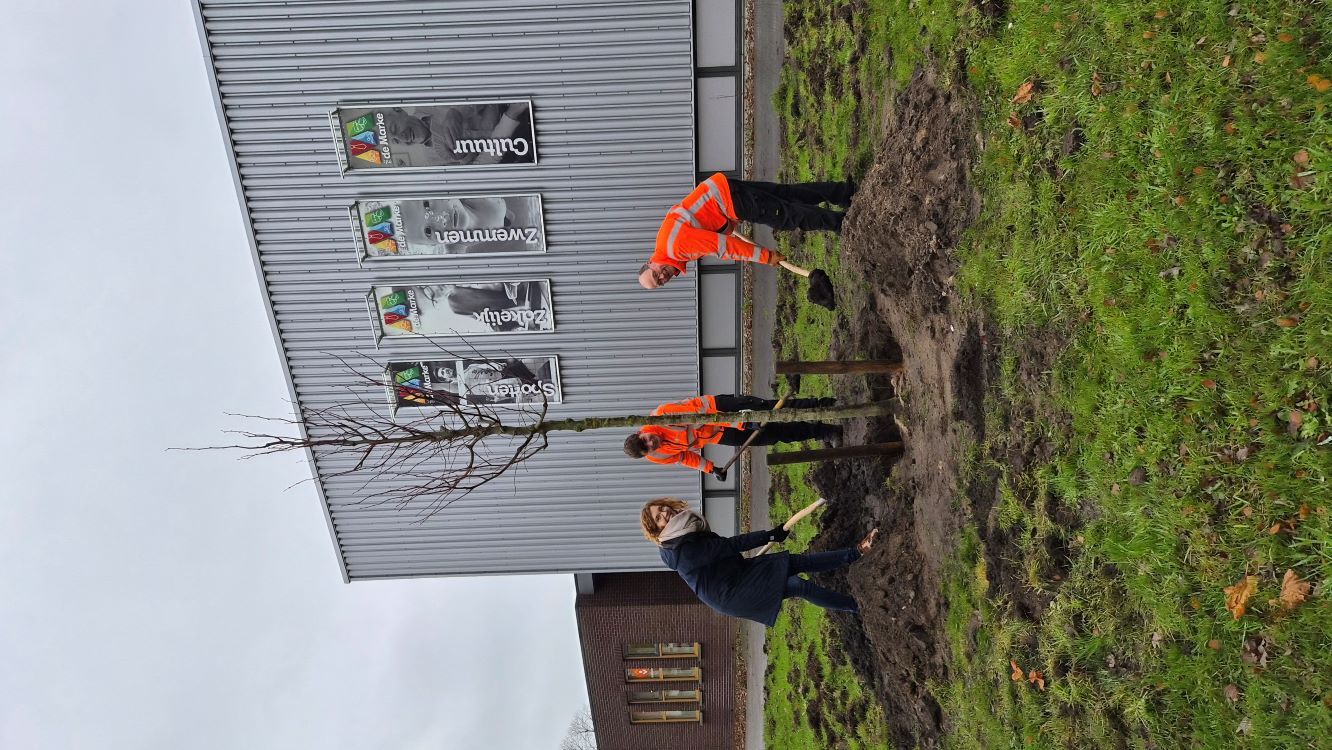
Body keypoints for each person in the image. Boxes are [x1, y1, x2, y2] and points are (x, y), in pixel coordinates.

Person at [641, 497, 878, 626]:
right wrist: (769, 535)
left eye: (662, 508)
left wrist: (770, 536)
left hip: (739, 574)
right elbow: (726, 546)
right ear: (657, 529)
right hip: (731, 594)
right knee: (797, 585)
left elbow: (723, 549)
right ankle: (858, 607)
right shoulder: (679, 552)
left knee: (797, 561)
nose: (665, 514)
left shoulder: (683, 531)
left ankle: (855, 553)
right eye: (659, 518)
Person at [639, 173, 857, 289]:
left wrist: (766, 256)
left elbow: (723, 247)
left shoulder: (675, 248)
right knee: (788, 196)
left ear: (651, 262)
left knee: (788, 216)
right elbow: (704, 224)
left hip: (729, 200)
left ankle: (843, 224)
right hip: (723, 192)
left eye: (656, 273)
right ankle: (844, 193)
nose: (662, 276)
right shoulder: (668, 245)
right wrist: (726, 224)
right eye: (660, 282)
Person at [622, 394, 840, 480]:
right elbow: (684, 457)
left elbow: (704, 415)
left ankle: (821, 405)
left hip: (719, 409)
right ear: (648, 453)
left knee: (771, 409)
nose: (652, 443)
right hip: (719, 434)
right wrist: (710, 468)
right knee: (770, 436)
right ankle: (823, 431)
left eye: (648, 439)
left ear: (642, 431)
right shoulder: (656, 456)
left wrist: (743, 421)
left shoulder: (662, 415)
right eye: (649, 447)